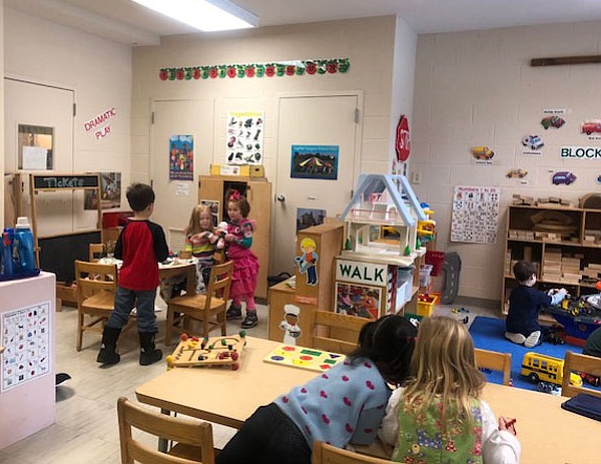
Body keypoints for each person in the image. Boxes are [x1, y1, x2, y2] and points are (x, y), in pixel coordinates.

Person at [216, 315, 418, 464]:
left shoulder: (349, 362)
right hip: (297, 443)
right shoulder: (379, 392)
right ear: (402, 362)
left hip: (268, 415)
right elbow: (361, 439)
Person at [379, 316, 520, 464]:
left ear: (419, 356)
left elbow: (388, 435)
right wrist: (506, 437)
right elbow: (501, 461)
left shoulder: (401, 399)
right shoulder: (480, 411)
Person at [97, 183, 169, 366]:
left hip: (126, 279)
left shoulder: (126, 229)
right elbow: (163, 256)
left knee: (119, 313)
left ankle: (107, 350)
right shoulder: (155, 230)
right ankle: (147, 352)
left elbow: (119, 254)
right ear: (150, 206)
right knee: (146, 316)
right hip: (146, 280)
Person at [159, 204, 218, 302]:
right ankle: (173, 303)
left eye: (208, 218)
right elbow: (188, 253)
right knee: (173, 278)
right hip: (192, 267)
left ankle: (197, 295)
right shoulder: (191, 236)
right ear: (195, 221)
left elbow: (219, 244)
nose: (205, 221)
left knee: (189, 274)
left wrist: (208, 235)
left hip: (206, 270)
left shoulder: (212, 235)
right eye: (202, 219)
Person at [505, 260, 566, 347]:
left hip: (512, 325)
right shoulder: (535, 294)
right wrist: (561, 293)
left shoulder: (514, 291)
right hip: (529, 327)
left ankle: (511, 334)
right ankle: (535, 338)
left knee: (515, 327)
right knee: (540, 332)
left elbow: (536, 298)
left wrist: (548, 292)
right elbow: (552, 300)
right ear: (532, 277)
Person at [223, 189, 260, 329]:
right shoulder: (229, 224)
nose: (231, 212)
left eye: (235, 210)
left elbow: (247, 243)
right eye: (229, 209)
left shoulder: (246, 226)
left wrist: (234, 239)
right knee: (235, 286)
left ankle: (251, 312)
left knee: (246, 288)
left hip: (244, 263)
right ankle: (236, 307)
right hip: (231, 261)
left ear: (242, 211)